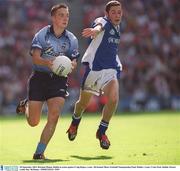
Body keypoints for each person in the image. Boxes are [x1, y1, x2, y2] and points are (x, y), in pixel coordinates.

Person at [16, 3, 79, 159]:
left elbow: (74, 61)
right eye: (61, 15)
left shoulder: (72, 39)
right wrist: (49, 63)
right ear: (53, 17)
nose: (65, 18)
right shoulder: (42, 35)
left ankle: (39, 152)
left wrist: (71, 65)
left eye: (67, 15)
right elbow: (36, 58)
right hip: (39, 78)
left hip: (59, 80)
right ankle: (27, 105)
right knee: (33, 122)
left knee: (55, 114)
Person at [67, 0, 123, 150]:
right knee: (82, 104)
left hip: (111, 69)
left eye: (119, 12)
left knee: (113, 99)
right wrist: (95, 30)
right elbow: (99, 25)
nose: (117, 15)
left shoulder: (119, 27)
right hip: (94, 70)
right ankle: (75, 122)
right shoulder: (102, 21)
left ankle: (102, 132)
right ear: (107, 14)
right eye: (113, 12)